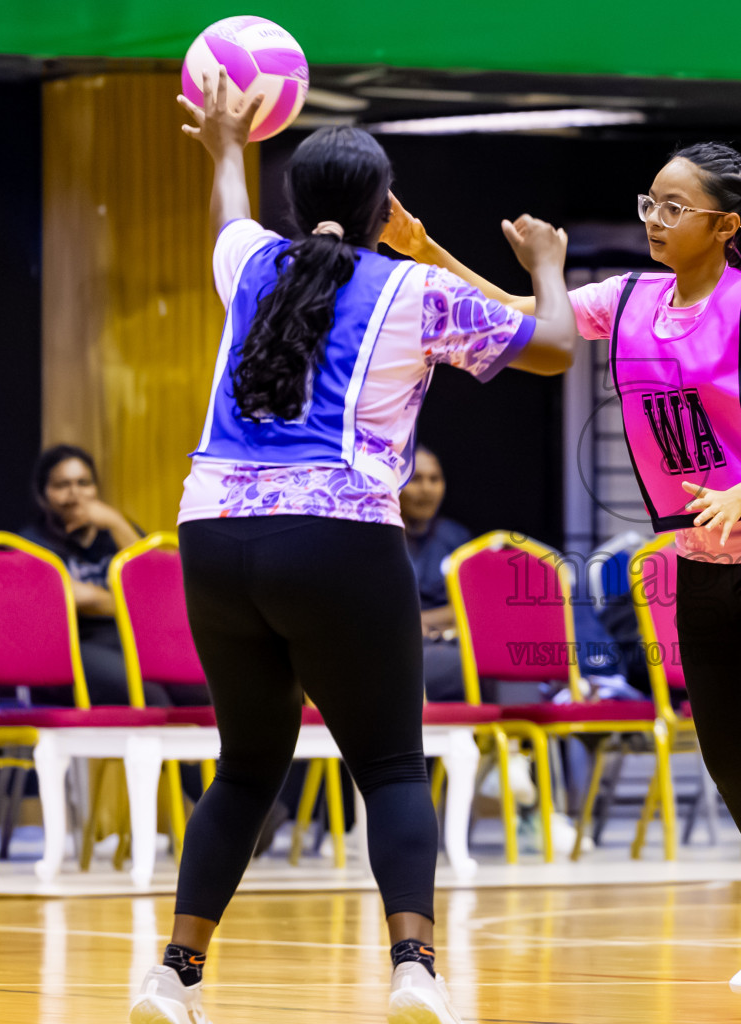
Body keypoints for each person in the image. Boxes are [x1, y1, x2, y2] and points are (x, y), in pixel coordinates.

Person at [391, 142, 741, 1024]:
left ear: (723, 225)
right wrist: (427, 250)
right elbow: (522, 310)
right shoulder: (629, 300)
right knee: (721, 748)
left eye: (676, 208)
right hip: (700, 551)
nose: (655, 220)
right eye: (650, 203)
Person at [131, 70, 575, 1024]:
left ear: (295, 208)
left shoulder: (249, 264)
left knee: (248, 766)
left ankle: (171, 978)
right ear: (384, 209)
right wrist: (544, 265)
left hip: (211, 537)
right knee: (390, 767)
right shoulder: (416, 290)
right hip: (337, 538)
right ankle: (413, 969)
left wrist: (222, 152)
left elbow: (226, 213)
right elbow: (555, 348)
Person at [21, 445, 214, 713]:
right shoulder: (32, 544)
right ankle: (170, 758)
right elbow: (71, 599)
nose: (75, 494)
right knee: (149, 696)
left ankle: (202, 757)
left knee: (199, 689)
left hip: (129, 639)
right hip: (74, 648)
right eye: (62, 485)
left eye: (83, 483)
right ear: (44, 495)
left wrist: (117, 524)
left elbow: (158, 588)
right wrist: (128, 602)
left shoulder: (115, 531)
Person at [401, 445, 471, 703]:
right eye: (416, 479)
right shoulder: (376, 537)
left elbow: (468, 608)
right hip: (393, 647)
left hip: (443, 643)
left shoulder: (456, 538)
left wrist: (422, 620)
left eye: (435, 479)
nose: (427, 489)